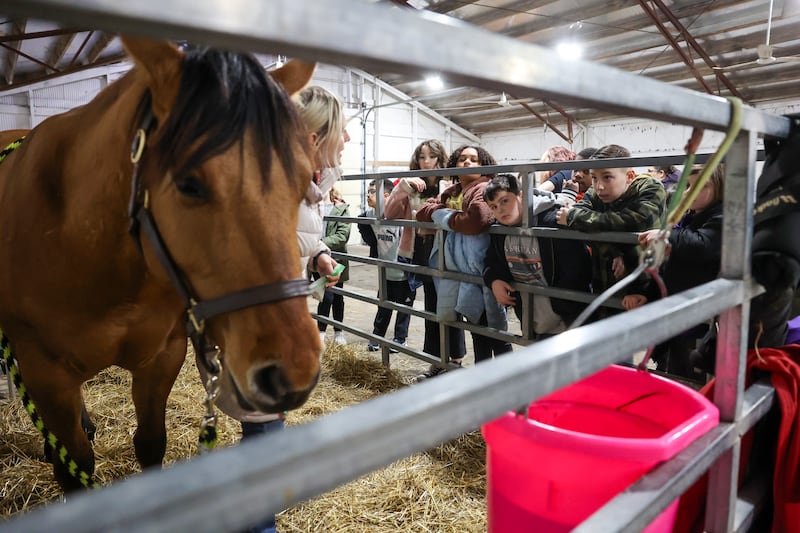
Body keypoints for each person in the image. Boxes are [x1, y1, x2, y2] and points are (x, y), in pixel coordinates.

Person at [239, 84, 349, 533]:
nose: (347, 143)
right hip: (264, 321)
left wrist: (319, 252)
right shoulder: (277, 183)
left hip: (281, 311)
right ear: (314, 137)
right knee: (264, 420)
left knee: (269, 422)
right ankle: (257, 523)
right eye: (342, 133)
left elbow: (297, 236)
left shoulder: (306, 184)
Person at [622, 164, 724, 377]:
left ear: (722, 187)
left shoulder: (723, 217)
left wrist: (666, 234)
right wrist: (648, 295)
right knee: (665, 364)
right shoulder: (690, 218)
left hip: (698, 318)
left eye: (701, 186)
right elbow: (671, 267)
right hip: (677, 309)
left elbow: (703, 246)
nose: (690, 193)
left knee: (686, 371)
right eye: (687, 186)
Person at [416, 144, 512, 371]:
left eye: (474, 159)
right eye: (462, 159)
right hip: (462, 268)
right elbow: (422, 211)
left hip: (485, 265)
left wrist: (444, 216)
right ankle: (483, 380)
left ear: (484, 165)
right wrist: (450, 213)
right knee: (477, 326)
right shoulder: (453, 191)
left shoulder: (486, 188)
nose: (467, 162)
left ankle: (509, 378)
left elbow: (476, 220)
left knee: (495, 326)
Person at [384, 139, 467, 378]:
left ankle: (455, 360)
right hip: (420, 253)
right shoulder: (411, 185)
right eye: (422, 157)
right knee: (431, 305)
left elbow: (450, 219)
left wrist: (423, 219)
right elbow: (388, 213)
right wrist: (404, 188)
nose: (426, 161)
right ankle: (437, 361)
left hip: (444, 252)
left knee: (449, 304)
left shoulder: (450, 185)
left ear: (441, 159)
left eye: (432, 156)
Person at [555, 144, 667, 316]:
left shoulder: (651, 188)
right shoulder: (595, 192)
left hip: (644, 286)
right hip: (604, 283)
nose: (599, 186)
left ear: (629, 176)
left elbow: (630, 222)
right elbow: (581, 218)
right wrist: (612, 249)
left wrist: (572, 218)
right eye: (593, 178)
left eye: (607, 177)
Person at [483, 174, 591, 337]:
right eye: (493, 206)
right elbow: (492, 261)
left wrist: (566, 306)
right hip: (531, 318)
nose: (500, 210)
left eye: (505, 201)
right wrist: (494, 280)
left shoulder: (552, 221)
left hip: (568, 318)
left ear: (521, 195)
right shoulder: (499, 231)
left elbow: (577, 266)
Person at [357, 179, 415, 352]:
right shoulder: (370, 215)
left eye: (373, 191)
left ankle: (400, 338)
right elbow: (361, 222)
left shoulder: (401, 215)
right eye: (368, 191)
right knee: (383, 305)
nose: (368, 195)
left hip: (404, 270)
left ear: (387, 196)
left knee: (404, 307)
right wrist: (374, 247)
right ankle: (377, 336)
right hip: (385, 270)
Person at [316, 186, 351, 346]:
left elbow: (342, 236)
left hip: (337, 259)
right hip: (318, 260)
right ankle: (321, 332)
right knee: (325, 295)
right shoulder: (312, 206)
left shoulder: (342, 209)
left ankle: (338, 331)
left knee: (336, 295)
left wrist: (318, 245)